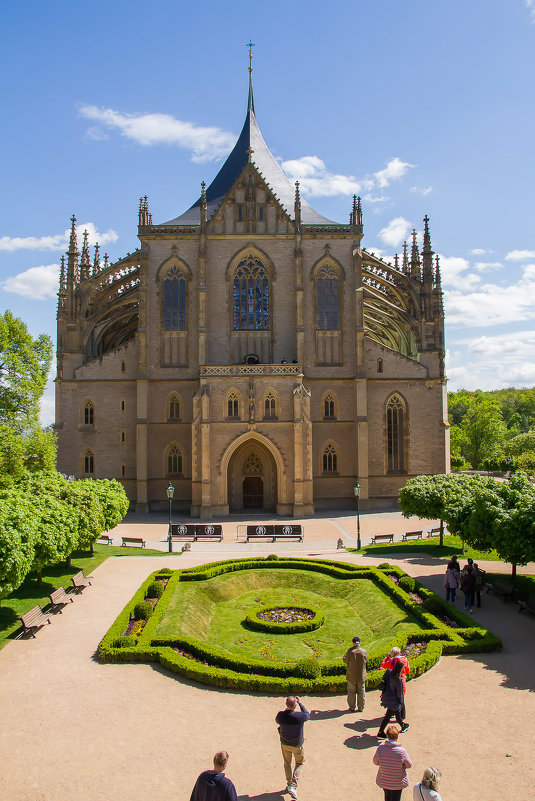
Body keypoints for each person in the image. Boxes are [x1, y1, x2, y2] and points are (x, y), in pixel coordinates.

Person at [275, 695, 310, 799]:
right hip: (296, 744)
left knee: (287, 763)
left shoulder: (281, 715)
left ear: (286, 704)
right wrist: (300, 703)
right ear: (295, 706)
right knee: (300, 762)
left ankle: (289, 783)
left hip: (285, 743)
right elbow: (307, 715)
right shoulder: (300, 716)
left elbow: (277, 721)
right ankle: (293, 786)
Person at [373, 724, 412, 801]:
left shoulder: (380, 749)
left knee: (387, 797)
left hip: (384, 781)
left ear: (387, 735)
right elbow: (409, 765)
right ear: (397, 736)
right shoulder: (401, 751)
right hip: (398, 782)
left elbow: (375, 762)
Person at [377, 660, 409, 738]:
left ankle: (403, 726)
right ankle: (380, 732)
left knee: (393, 714)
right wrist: (401, 703)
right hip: (394, 700)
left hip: (386, 697)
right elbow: (399, 694)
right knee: (389, 715)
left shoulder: (388, 672)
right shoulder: (398, 680)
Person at [381, 647, 410, 718]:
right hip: (402, 680)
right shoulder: (405, 659)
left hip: (393, 681)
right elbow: (408, 670)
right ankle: (402, 715)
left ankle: (393, 713)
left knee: (393, 697)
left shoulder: (392, 660)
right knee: (401, 697)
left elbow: (383, 665)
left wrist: (387, 657)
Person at [343, 635, 367, 711]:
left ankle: (352, 707)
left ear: (353, 643)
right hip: (361, 675)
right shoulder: (363, 651)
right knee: (361, 691)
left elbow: (345, 661)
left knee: (351, 692)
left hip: (351, 675)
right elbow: (366, 661)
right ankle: (361, 707)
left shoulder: (350, 652)